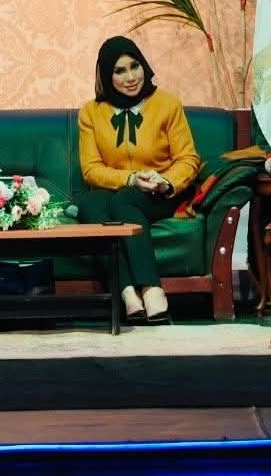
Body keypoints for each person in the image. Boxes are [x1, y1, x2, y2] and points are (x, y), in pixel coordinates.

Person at [74, 36, 201, 325]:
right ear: (106, 76)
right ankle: (127, 291)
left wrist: (165, 182)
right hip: (119, 189)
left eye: (135, 66)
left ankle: (151, 288)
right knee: (90, 204)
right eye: (119, 71)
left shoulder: (167, 104)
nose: (131, 77)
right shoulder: (91, 113)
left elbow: (188, 158)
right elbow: (91, 169)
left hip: (162, 192)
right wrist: (131, 178)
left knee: (124, 201)